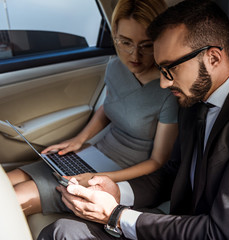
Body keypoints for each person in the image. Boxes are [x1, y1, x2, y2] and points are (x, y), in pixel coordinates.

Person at [38, 1, 229, 239]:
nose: (164, 84)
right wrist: (117, 191)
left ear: (213, 58)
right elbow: (172, 174)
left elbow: (221, 232)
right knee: (63, 231)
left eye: (169, 69)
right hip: (189, 226)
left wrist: (115, 215)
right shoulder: (194, 100)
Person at [7, 0, 178, 217]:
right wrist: (79, 140)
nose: (134, 56)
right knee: (6, 181)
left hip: (124, 172)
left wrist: (100, 178)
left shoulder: (169, 90)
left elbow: (158, 161)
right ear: (115, 34)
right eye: (125, 42)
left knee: (15, 199)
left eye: (146, 45)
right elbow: (108, 107)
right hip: (93, 153)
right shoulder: (116, 67)